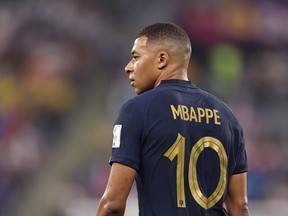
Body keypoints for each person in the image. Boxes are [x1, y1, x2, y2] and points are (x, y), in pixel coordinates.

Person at [96, 22, 250, 216]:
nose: (128, 67)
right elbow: (240, 206)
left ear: (161, 59)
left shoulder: (136, 110)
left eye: (136, 57)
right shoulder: (229, 118)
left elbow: (113, 205)